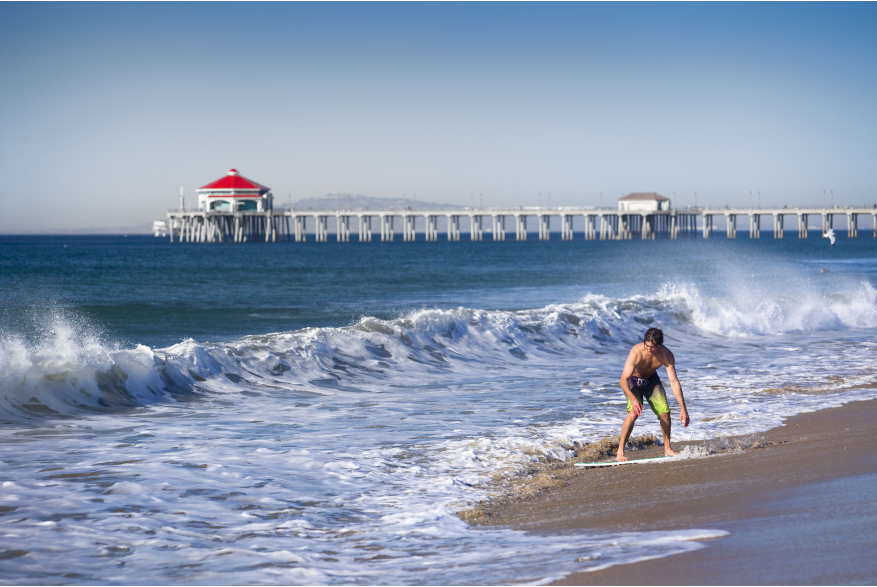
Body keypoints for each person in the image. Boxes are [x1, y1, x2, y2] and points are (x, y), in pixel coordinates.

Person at [617, 328, 690, 461]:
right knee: (633, 413)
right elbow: (623, 380)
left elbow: (674, 382)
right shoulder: (637, 352)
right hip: (633, 381)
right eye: (647, 346)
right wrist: (633, 399)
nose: (649, 349)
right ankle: (620, 452)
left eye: (653, 347)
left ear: (660, 343)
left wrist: (683, 408)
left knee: (665, 414)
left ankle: (667, 449)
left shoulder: (667, 355)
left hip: (652, 381)